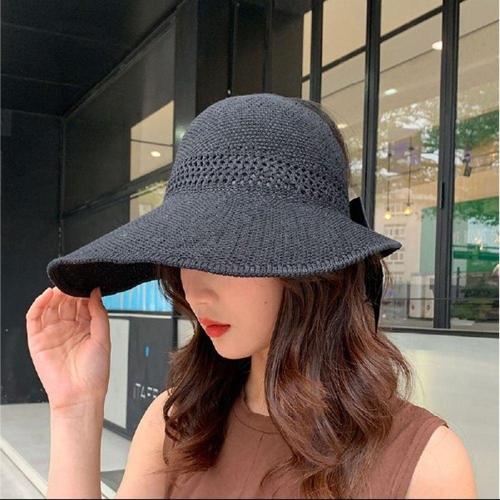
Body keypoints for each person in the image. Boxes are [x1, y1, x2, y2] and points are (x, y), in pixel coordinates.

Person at [26, 93, 477, 499]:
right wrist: (75, 408)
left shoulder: (424, 465)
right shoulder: (178, 424)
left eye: (227, 253)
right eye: (183, 255)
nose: (195, 289)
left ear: (311, 270)